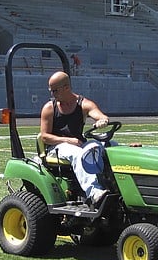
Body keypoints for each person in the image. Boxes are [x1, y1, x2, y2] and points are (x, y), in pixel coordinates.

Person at [40, 71, 109, 205]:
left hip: (78, 144)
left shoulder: (83, 104)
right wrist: (67, 140)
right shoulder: (49, 108)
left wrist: (102, 120)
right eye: (51, 91)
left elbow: (98, 114)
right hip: (57, 147)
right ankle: (94, 192)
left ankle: (111, 185)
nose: (52, 94)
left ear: (66, 87)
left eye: (55, 90)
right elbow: (44, 137)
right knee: (78, 153)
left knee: (105, 146)